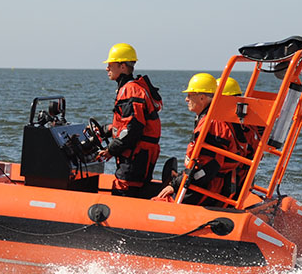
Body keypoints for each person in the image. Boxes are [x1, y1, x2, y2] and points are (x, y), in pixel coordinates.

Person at [156, 73, 237, 205]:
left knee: (158, 202)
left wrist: (176, 185)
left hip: (207, 187)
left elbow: (207, 168)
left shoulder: (212, 124)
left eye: (189, 95)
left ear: (202, 98)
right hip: (204, 183)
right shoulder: (210, 119)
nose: (186, 99)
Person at [101, 43, 162, 197]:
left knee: (124, 191)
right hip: (140, 156)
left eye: (110, 64)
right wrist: (105, 130)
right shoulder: (133, 88)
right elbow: (128, 124)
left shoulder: (130, 91)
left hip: (134, 159)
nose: (107, 68)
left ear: (122, 66)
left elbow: (132, 129)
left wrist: (110, 150)